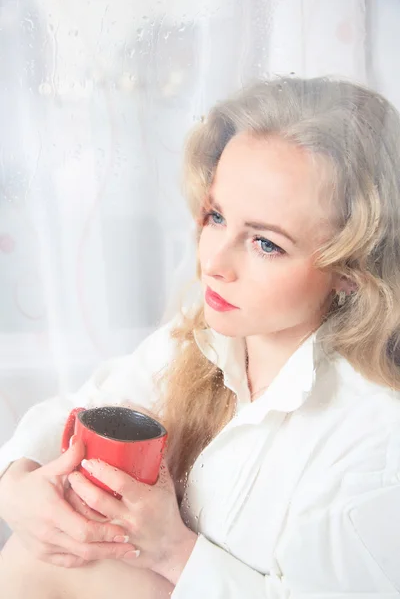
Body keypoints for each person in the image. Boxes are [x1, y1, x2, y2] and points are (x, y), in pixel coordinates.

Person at [1, 75, 400, 598]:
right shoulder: (207, 337)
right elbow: (80, 410)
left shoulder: (376, 432)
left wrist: (171, 549)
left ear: (352, 267)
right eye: (216, 216)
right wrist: (18, 489)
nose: (213, 262)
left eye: (265, 244)